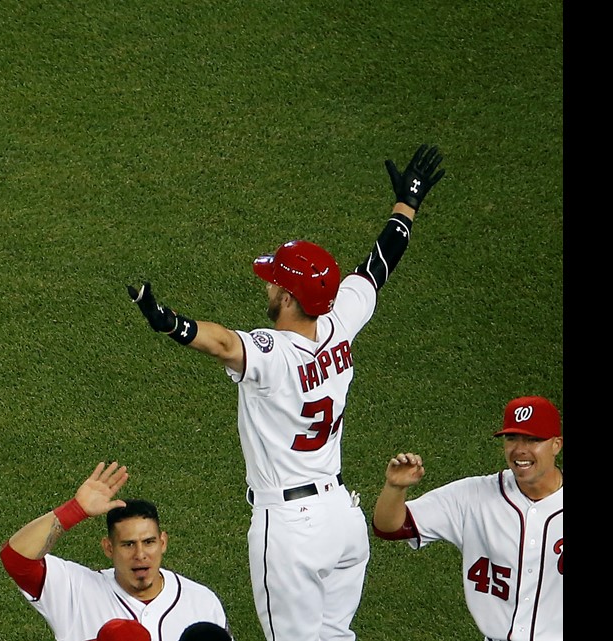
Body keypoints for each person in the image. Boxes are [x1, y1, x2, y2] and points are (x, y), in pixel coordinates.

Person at [127, 144, 446, 641]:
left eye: (275, 281)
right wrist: (408, 203)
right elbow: (380, 264)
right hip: (343, 519)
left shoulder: (273, 353)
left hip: (292, 528)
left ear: (290, 297)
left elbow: (221, 343)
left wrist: (169, 322)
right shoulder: (341, 321)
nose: (268, 287)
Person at [371, 395, 564, 641]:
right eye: (512, 438)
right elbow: (390, 528)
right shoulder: (472, 496)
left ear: (556, 444)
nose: (520, 449)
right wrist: (394, 488)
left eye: (533, 439)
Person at [0, 461, 231, 641]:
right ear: (108, 548)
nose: (140, 554)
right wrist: (75, 510)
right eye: (128, 544)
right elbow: (16, 558)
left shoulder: (201, 602)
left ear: (163, 542)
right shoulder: (76, 591)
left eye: (149, 542)